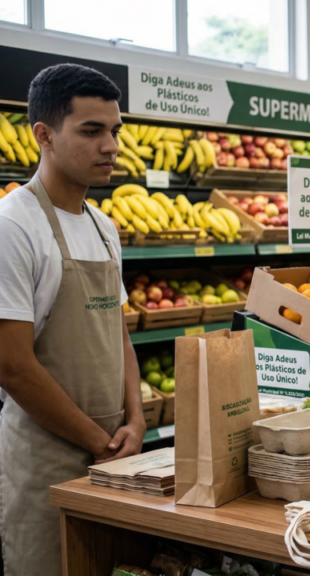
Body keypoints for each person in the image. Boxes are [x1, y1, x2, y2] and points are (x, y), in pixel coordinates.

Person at [0, 64, 143, 574]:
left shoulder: (105, 227)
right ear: (44, 135)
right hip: (47, 459)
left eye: (115, 131)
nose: (111, 146)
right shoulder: (14, 225)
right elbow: (12, 365)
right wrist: (95, 441)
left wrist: (137, 418)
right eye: (91, 131)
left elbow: (116, 331)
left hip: (113, 454)